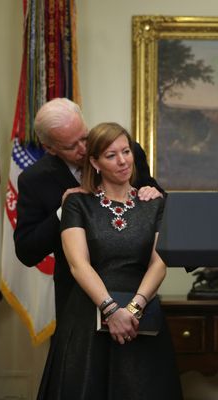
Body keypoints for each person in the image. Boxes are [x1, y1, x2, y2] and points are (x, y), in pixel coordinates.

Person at [36, 122, 182, 399]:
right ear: (95, 162)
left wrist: (133, 310)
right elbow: (79, 265)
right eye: (111, 155)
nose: (123, 160)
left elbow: (160, 262)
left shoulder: (155, 203)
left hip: (141, 319)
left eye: (126, 151)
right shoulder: (77, 204)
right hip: (87, 321)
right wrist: (111, 310)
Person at [14, 98, 164, 318]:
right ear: (50, 148)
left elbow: (160, 205)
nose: (83, 149)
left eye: (84, 137)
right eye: (71, 146)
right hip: (76, 298)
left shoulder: (125, 154)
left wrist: (154, 193)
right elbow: (26, 251)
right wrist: (62, 211)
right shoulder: (36, 179)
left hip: (135, 290)